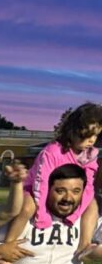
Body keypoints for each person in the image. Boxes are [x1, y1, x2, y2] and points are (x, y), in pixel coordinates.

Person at [21, 103, 102, 252]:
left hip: (64, 195)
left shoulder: (89, 155)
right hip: (32, 189)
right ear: (73, 131)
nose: (91, 141)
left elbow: (89, 187)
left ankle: (84, 245)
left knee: (93, 203)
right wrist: (43, 215)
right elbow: (41, 182)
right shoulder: (53, 151)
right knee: (27, 208)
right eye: (87, 136)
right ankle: (9, 241)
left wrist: (75, 215)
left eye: (95, 136)